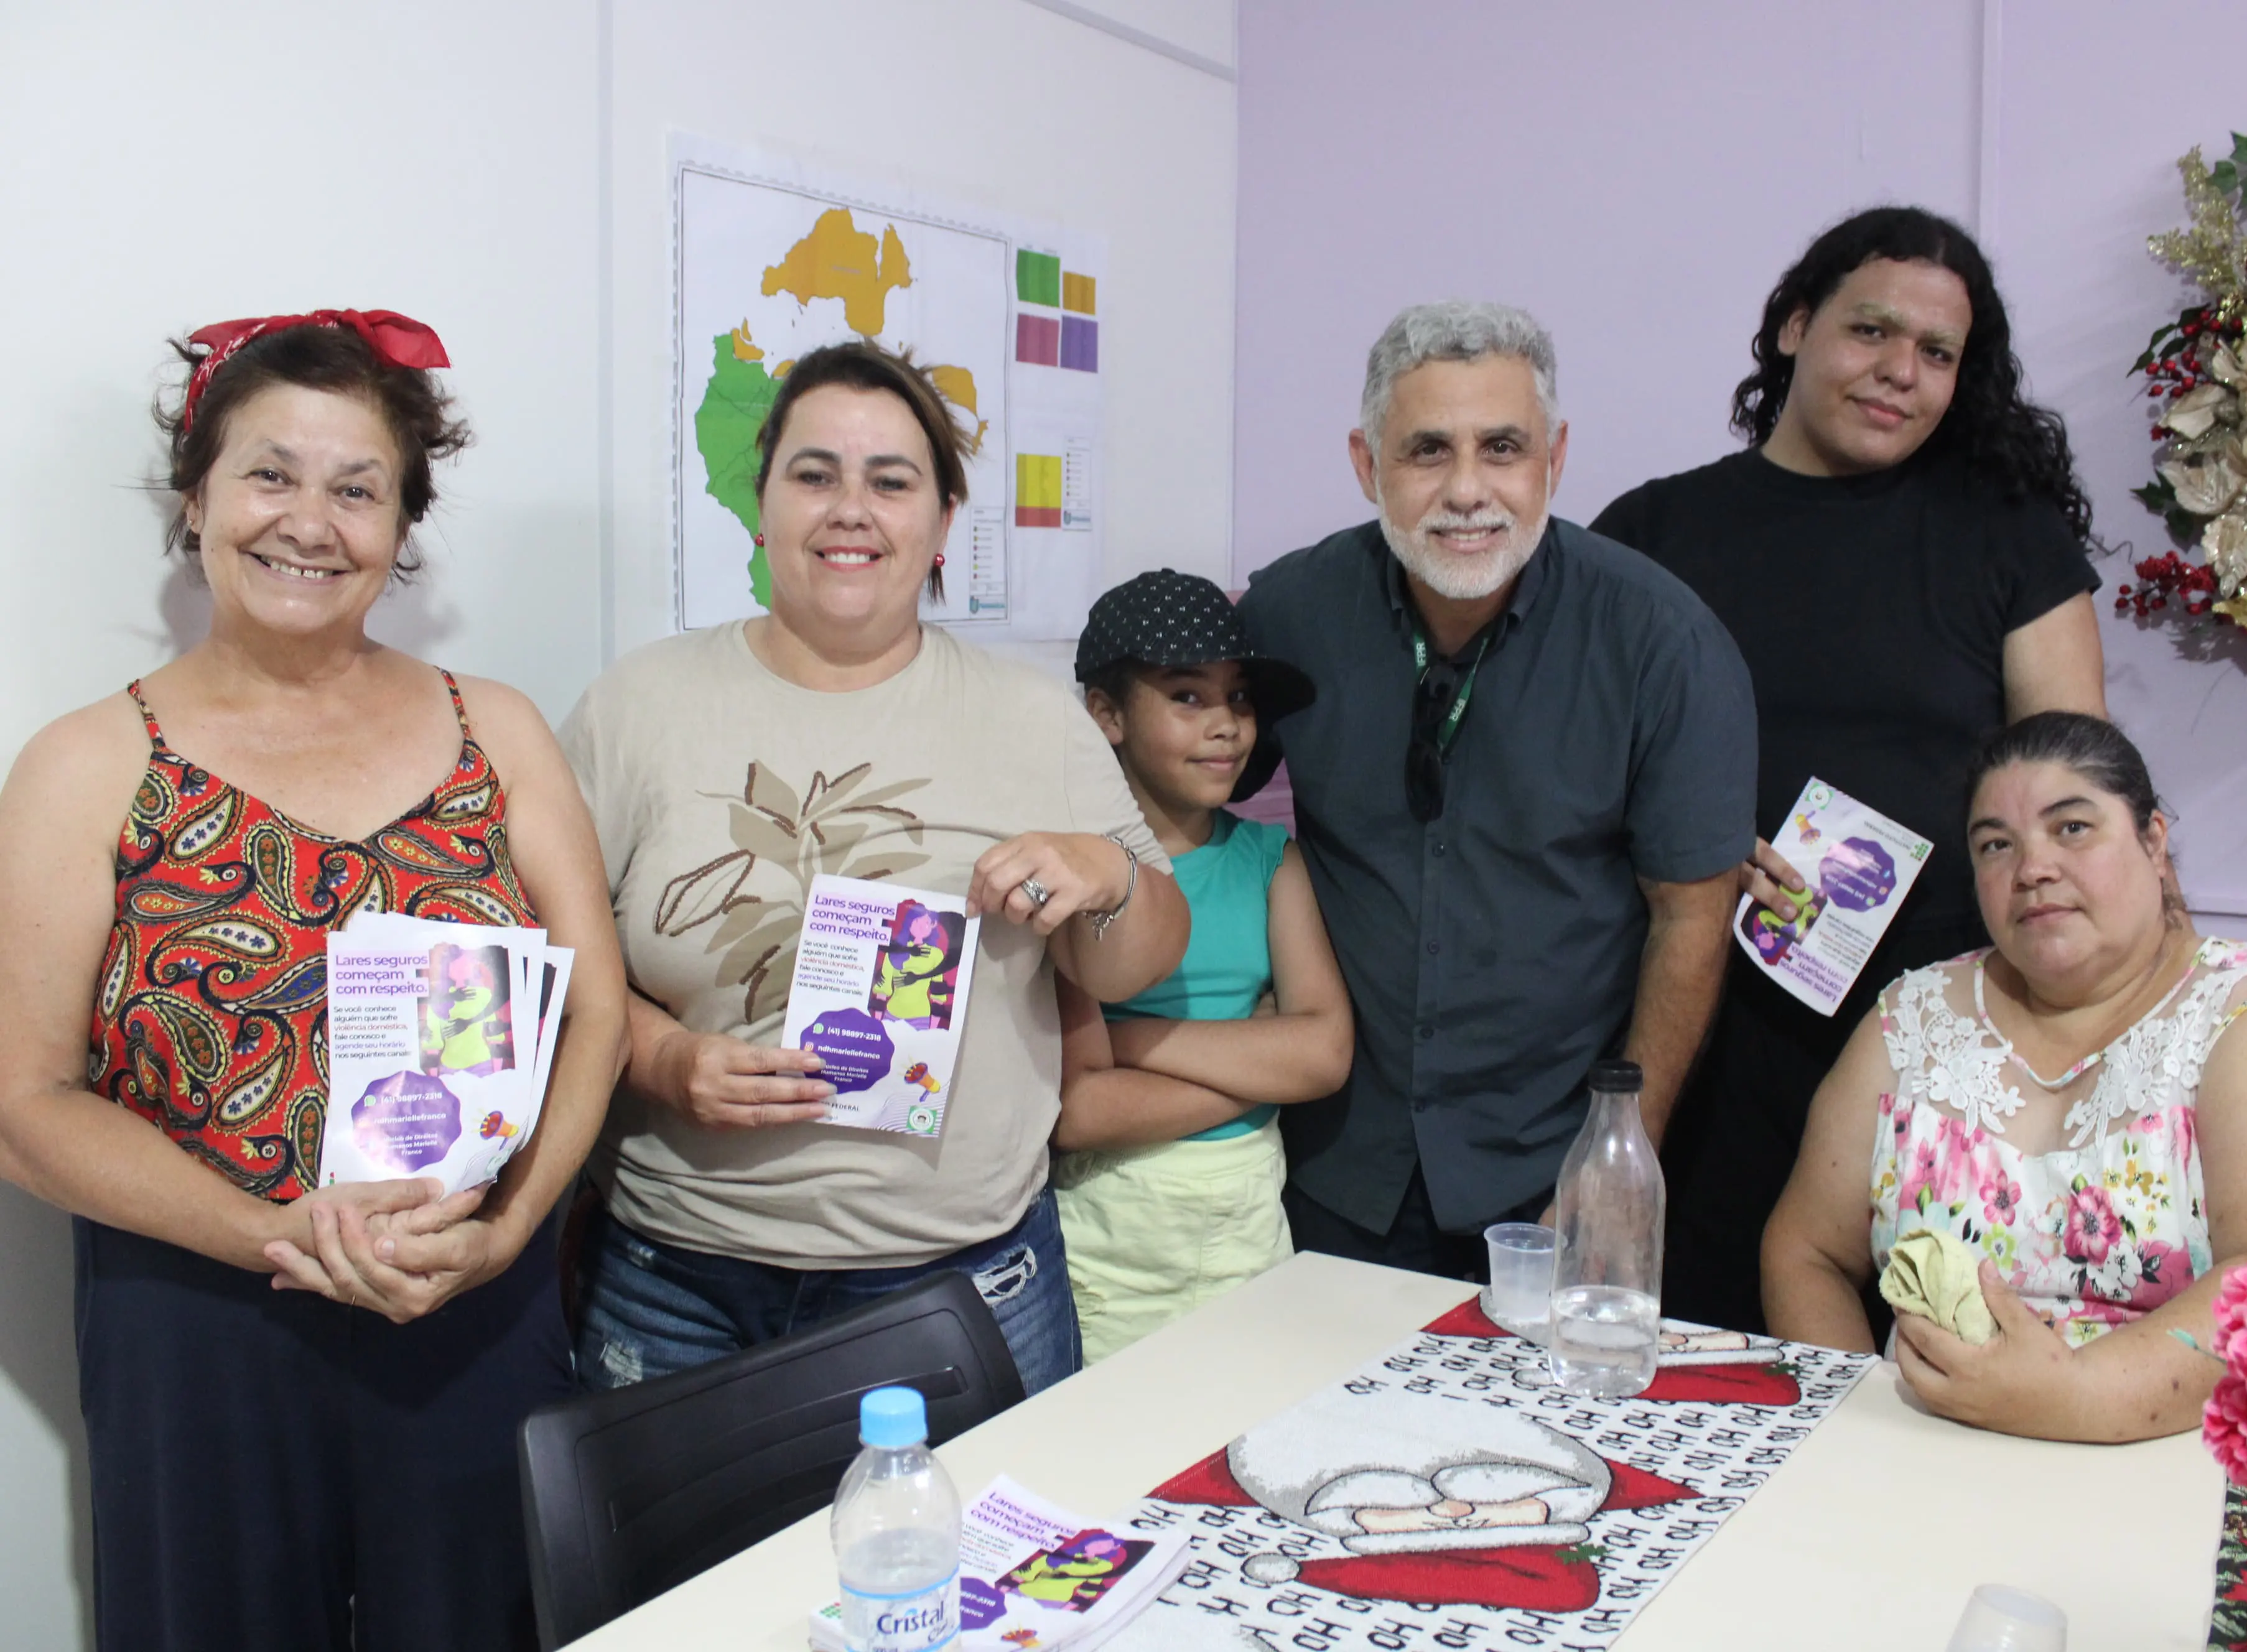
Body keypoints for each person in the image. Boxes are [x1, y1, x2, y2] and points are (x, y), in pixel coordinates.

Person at [0, 310, 628, 1651]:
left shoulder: (494, 725)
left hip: (471, 1292)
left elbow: (600, 1008)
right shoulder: (87, 761)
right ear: (198, 498)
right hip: (197, 1319)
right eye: (270, 473)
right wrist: (288, 1239)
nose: (311, 520)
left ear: (402, 529)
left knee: (491, 1622)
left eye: (359, 488)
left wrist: (509, 1237)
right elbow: (27, 1102)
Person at [561, 340, 1188, 1398]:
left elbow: (1134, 966)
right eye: (814, 474)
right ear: (759, 503)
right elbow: (550, 958)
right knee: (677, 1575)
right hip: (679, 1283)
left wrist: (1109, 876)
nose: (850, 508)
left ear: (942, 522)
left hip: (961, 1282)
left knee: (977, 1567)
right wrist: (665, 1058)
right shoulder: (638, 704)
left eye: (890, 481)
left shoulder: (1031, 716)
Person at [1591, 206, 2111, 1335]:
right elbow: (1570, 770)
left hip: (1942, 1032)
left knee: (1937, 1359)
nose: (1898, 374)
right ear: (1790, 327)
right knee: (1702, 1355)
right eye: (1869, 331)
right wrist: (1686, 838)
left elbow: (2072, 784)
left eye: (1935, 354)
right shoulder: (1652, 530)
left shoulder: (2003, 534)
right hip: (1700, 1027)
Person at [1239, 301, 1757, 1278]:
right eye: (1428, 450)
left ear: (1553, 462)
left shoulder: (1662, 644)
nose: (1467, 490)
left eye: (1503, 448)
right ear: (1367, 465)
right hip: (1332, 1166)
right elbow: (1186, 800)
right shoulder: (1288, 612)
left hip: (1549, 1175)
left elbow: (1692, 920)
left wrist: (1620, 1153)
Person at [1762, 713, 2247, 1441]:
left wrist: (2077, 1396)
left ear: (2154, 841)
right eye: (1997, 845)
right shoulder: (1913, 1019)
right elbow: (1805, 1252)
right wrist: (1855, 1431)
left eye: (2073, 828)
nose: (2034, 869)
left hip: (2179, 1475)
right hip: (1923, 1468)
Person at [1052, 568, 1352, 1360]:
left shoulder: (1268, 860)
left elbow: (1325, 1053)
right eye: (1188, 697)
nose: (1227, 726)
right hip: (1109, 1228)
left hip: (1250, 1217)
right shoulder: (1074, 873)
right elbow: (1081, 1113)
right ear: (1106, 713)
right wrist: (1260, 1063)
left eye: (1241, 699)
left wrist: (1127, 1044)